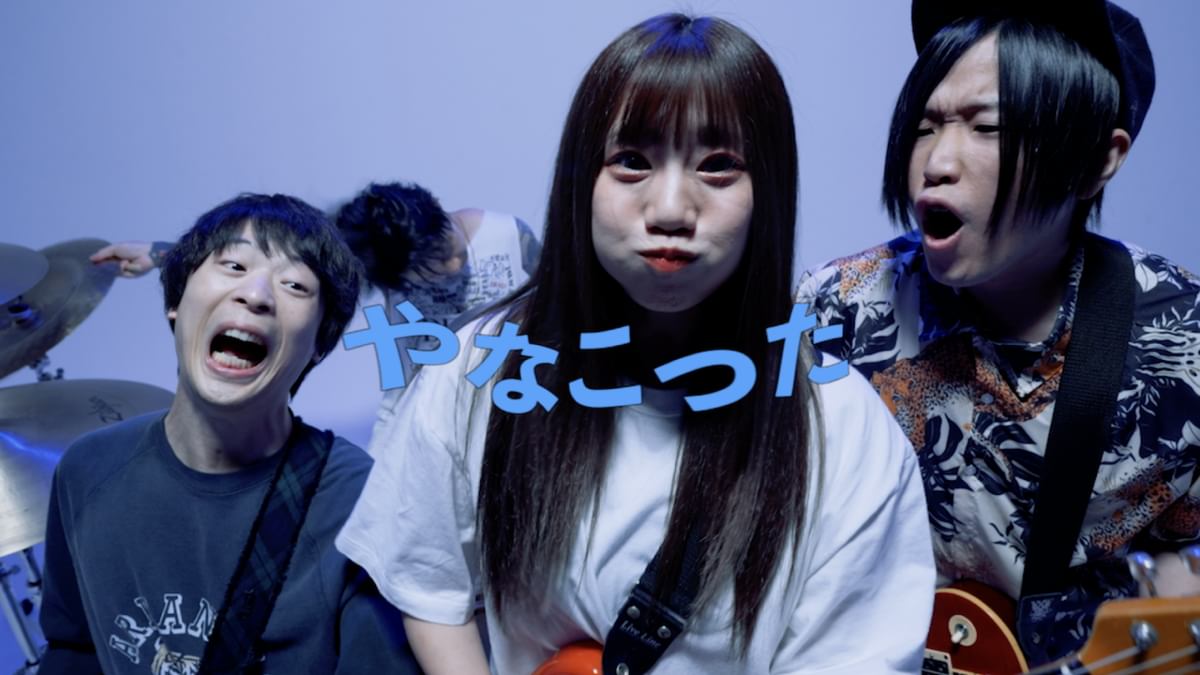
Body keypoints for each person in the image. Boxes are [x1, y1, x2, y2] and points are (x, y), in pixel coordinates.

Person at [336, 14, 934, 675]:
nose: (671, 208)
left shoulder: (843, 431)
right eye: (631, 162)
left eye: (718, 165)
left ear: (768, 190)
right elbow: (429, 582)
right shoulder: (482, 368)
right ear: (581, 182)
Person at [796, 0, 1200, 664]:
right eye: (925, 127)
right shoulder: (834, 310)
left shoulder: (1182, 342)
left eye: (987, 127)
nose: (936, 162)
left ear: (1098, 159)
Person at [41, 194, 421, 673]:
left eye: (294, 285)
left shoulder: (359, 502)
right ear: (176, 302)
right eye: (234, 266)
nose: (256, 294)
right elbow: (72, 651)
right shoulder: (87, 470)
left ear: (320, 345)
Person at [333, 182, 541, 442]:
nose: (453, 265)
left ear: (439, 211)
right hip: (453, 422)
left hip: (523, 399)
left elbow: (562, 308)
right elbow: (398, 385)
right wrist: (381, 451)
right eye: (431, 269)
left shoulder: (507, 234)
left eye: (445, 248)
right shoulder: (400, 293)